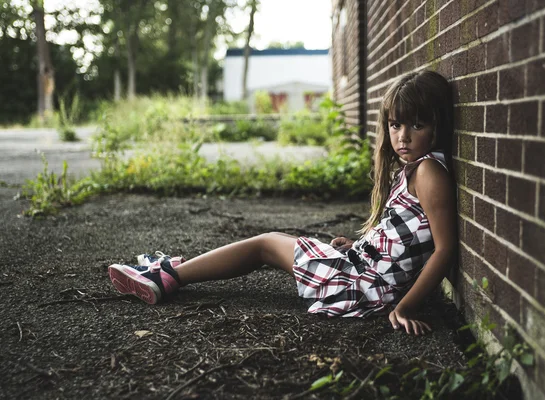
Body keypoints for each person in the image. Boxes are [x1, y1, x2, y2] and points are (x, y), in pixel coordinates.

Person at [108, 70, 457, 335]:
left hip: (366, 285)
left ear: (437, 125)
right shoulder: (414, 170)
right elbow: (405, 237)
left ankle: (168, 275)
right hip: (364, 267)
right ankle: (170, 271)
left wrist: (407, 307)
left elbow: (444, 249)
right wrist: (361, 245)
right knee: (272, 242)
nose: (402, 136)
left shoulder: (429, 173)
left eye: (416, 125)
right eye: (395, 125)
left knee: (266, 244)